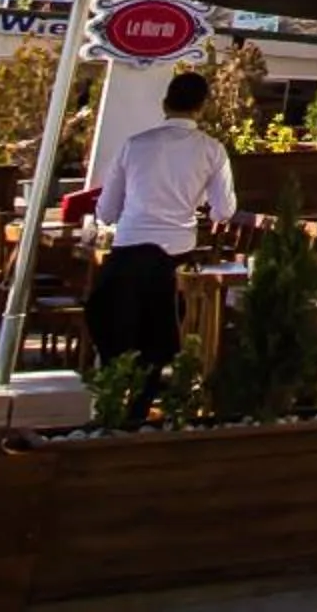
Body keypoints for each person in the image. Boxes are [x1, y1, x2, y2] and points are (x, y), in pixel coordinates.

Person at [84, 69, 235, 422]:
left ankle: (108, 401)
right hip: (174, 257)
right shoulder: (212, 151)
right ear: (201, 107)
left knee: (116, 325)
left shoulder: (135, 145)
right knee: (159, 335)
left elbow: (106, 211)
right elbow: (224, 210)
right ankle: (146, 403)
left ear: (165, 103)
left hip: (129, 250)